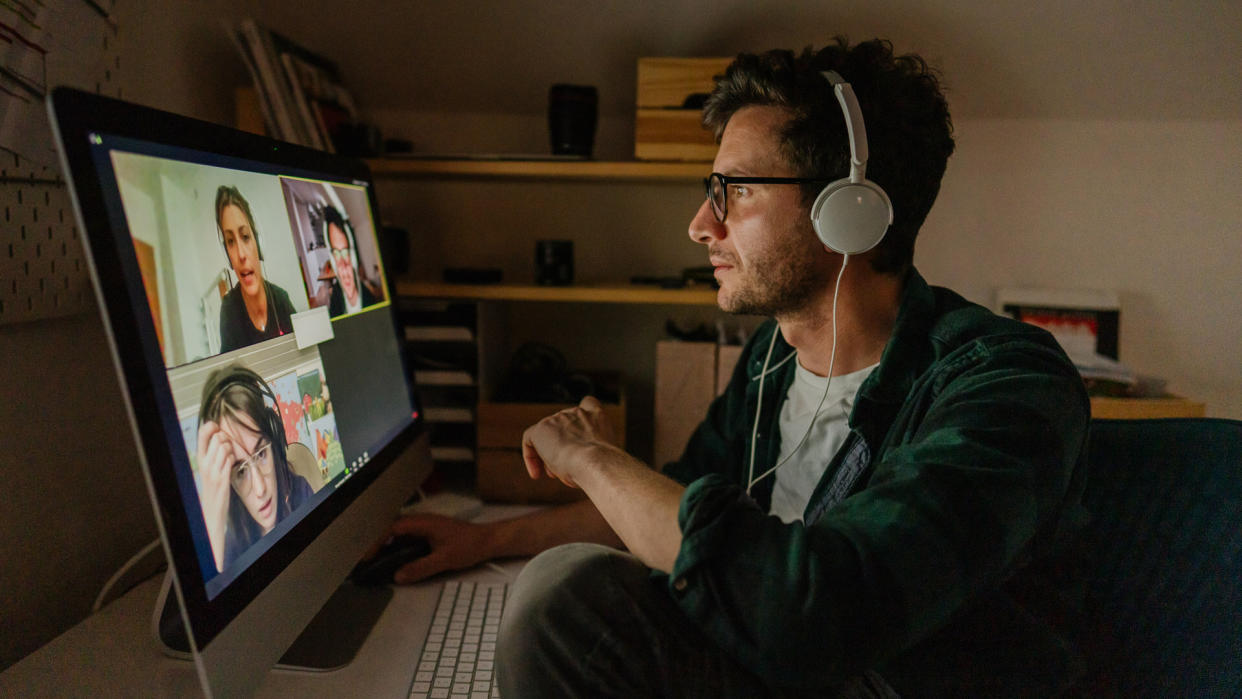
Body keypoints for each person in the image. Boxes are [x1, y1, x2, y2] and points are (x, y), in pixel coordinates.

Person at [384, 38, 1090, 696]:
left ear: (850, 210)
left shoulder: (1004, 383)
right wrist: (484, 540)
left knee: (564, 603)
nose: (701, 224)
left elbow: (819, 609)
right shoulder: (771, 359)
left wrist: (598, 460)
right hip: (767, 668)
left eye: (737, 190)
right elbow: (684, 504)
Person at [196, 364, 314, 573]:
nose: (260, 489)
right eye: (240, 471)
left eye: (261, 454)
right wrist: (212, 525)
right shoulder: (229, 548)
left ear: (274, 442)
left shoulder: (300, 493)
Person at [215, 185, 296, 352]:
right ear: (226, 254)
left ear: (258, 244)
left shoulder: (281, 299)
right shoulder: (229, 310)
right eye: (230, 241)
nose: (240, 254)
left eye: (245, 237)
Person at [323, 206, 378, 317]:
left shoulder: (372, 303)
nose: (343, 265)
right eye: (336, 254)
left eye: (345, 252)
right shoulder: (335, 300)